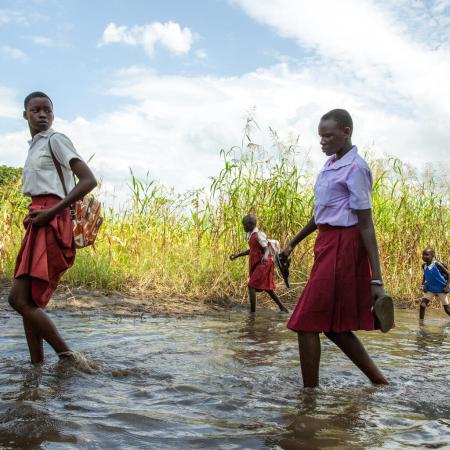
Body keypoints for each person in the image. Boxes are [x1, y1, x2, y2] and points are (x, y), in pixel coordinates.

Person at [280, 109, 394, 388]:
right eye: (320, 137)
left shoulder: (356, 168)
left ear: (346, 131)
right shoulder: (331, 165)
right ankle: (380, 382)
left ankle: (309, 398)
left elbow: (366, 225)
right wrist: (293, 242)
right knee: (334, 328)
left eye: (329, 135)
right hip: (326, 245)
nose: (323, 141)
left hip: (345, 247)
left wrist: (376, 279)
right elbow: (321, 214)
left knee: (305, 322)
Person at [8, 91, 97, 364]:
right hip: (39, 218)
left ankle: (66, 356)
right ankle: (36, 366)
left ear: (53, 113)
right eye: (36, 110)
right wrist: (42, 214)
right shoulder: (34, 146)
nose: (42, 114)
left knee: (18, 300)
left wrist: (50, 213)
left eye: (47, 109)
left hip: (50, 218)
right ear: (26, 115)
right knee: (27, 302)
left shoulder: (56, 140)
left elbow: (88, 180)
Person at [230, 214, 288, 313]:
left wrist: (265, 255)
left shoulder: (259, 234)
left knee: (251, 285)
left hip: (264, 262)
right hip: (258, 262)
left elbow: (266, 249)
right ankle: (283, 308)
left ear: (251, 224)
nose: (243, 227)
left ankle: (252, 313)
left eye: (245, 225)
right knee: (267, 288)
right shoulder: (250, 235)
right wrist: (237, 255)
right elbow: (252, 250)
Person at [419, 247, 450, 320]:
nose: (424, 256)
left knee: (447, 309)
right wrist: (423, 285)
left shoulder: (437, 264)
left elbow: (448, 274)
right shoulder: (424, 265)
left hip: (441, 289)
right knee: (422, 305)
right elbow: (425, 275)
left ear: (433, 255)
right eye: (423, 255)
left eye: (426, 255)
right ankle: (421, 323)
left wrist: (447, 286)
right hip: (431, 289)